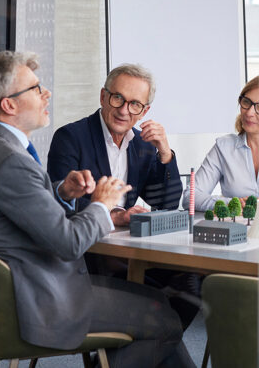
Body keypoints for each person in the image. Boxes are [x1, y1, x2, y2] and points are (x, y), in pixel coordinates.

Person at [0, 51, 193, 368]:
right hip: (42, 299)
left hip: (15, 290)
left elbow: (22, 210)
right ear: (9, 105)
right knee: (163, 316)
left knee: (159, 301)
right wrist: (102, 204)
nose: (46, 94)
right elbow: (69, 243)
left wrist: (61, 192)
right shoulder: (13, 161)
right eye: (36, 88)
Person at [47, 63, 197, 330]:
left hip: (128, 251)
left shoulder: (142, 145)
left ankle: (144, 346)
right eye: (118, 98)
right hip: (88, 253)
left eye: (135, 104)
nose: (124, 110)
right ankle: (144, 343)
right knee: (155, 303)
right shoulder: (70, 137)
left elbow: (165, 203)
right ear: (103, 96)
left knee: (192, 283)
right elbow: (60, 201)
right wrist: (114, 215)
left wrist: (165, 154)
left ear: (145, 111)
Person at [181, 74, 259, 211]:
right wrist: (232, 204)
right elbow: (190, 197)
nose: (249, 112)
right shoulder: (224, 147)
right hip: (236, 225)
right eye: (246, 102)